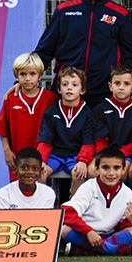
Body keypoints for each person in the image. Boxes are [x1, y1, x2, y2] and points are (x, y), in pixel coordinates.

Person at [34, 0, 132, 106]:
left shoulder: (120, 15)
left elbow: (130, 59)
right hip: (67, 91)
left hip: (104, 94)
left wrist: (130, 91)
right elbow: (44, 51)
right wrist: (22, 81)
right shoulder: (64, 11)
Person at [91, 65, 132, 216]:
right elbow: (100, 139)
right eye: (117, 83)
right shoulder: (101, 109)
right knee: (96, 170)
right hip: (108, 153)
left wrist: (121, 157)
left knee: (130, 170)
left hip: (130, 153)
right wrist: (108, 158)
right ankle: (102, 208)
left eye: (126, 84)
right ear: (110, 86)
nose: (121, 88)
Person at [60, 146, 132, 256]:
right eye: (105, 168)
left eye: (116, 168)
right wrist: (88, 231)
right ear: (97, 168)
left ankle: (85, 250)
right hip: (85, 233)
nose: (111, 173)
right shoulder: (88, 187)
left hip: (110, 235)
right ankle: (115, 250)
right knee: (64, 230)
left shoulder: (128, 194)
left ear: (124, 170)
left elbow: (121, 227)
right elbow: (66, 212)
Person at [0, 53, 56, 181]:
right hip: (18, 156)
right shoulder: (10, 99)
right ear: (17, 75)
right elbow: (2, 128)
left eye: (32, 74)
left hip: (44, 156)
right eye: (23, 74)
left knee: (40, 191)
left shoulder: (50, 98)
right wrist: (7, 151)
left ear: (40, 75)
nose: (27, 78)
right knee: (19, 192)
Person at [37, 67, 96, 197]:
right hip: (55, 155)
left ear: (82, 90)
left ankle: (72, 209)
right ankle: (43, 209)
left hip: (75, 155)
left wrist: (83, 161)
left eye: (74, 85)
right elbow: (44, 141)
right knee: (39, 172)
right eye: (65, 84)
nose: (69, 88)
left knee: (80, 173)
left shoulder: (88, 113)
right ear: (59, 89)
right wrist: (40, 160)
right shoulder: (51, 112)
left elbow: (88, 143)